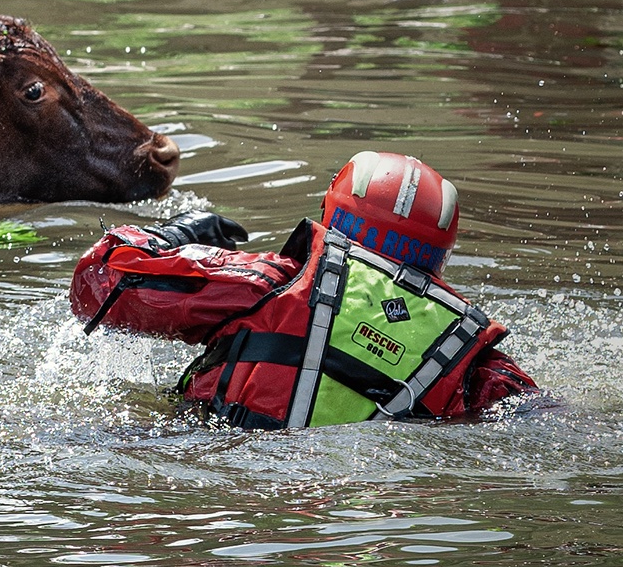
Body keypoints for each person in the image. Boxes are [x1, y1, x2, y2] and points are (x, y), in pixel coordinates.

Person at [69, 150, 538, 429]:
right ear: (439, 256)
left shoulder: (267, 282)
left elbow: (98, 286)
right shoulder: (473, 360)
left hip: (221, 464)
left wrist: (174, 237)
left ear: (332, 214)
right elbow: (536, 420)